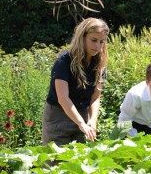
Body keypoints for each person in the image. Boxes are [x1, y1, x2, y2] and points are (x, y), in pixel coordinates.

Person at [42, 18, 109, 146]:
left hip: (82, 115)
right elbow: (63, 98)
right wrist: (81, 123)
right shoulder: (64, 61)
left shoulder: (99, 64)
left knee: (78, 163)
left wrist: (92, 120)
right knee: (54, 162)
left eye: (102, 42)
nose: (98, 46)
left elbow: (95, 97)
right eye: (93, 40)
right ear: (81, 37)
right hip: (58, 117)